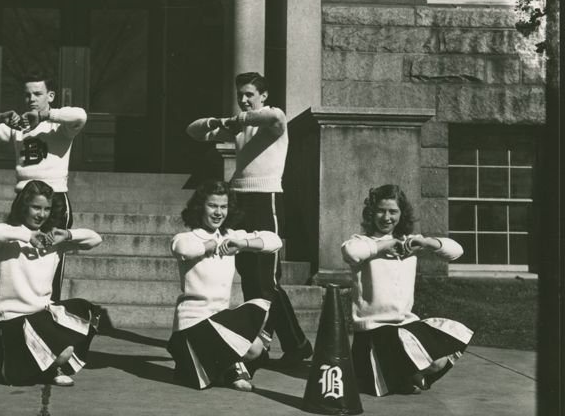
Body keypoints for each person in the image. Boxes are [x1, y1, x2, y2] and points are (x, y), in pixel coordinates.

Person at [186, 71, 312, 366]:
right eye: (240, 95)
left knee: (268, 280)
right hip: (239, 201)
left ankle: (299, 345)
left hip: (267, 200)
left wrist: (240, 120)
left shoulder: (271, 122)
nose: (243, 100)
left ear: (263, 95)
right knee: (248, 277)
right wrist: (218, 123)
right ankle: (260, 343)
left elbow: (275, 117)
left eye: (249, 94)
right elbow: (193, 131)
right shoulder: (238, 126)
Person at [341, 184, 472, 396]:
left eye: (393, 211)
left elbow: (457, 251)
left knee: (438, 362)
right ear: (371, 213)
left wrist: (425, 242)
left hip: (405, 326)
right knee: (397, 374)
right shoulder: (364, 242)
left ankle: (405, 375)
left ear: (402, 214)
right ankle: (401, 376)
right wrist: (384, 246)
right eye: (380, 211)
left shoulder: (409, 244)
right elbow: (350, 252)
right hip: (374, 331)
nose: (386, 217)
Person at [0, 72, 86, 301]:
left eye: (38, 93)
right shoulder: (19, 125)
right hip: (23, 196)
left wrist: (44, 116)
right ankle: (16, 313)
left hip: (55, 200)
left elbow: (80, 116)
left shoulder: (60, 125)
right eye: (27, 94)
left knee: (50, 259)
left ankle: (48, 316)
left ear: (50, 96)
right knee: (16, 254)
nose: (31, 99)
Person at [0, 179, 102, 387]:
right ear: (23, 207)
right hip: (14, 320)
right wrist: (28, 236)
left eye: (46, 209)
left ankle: (49, 365)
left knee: (86, 310)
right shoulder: (9, 238)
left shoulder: (52, 242)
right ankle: (44, 364)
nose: (41, 214)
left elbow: (95, 239)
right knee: (63, 352)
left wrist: (66, 234)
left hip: (43, 315)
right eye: (36, 207)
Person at [167, 180, 278, 391]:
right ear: (201, 207)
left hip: (220, 324)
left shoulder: (231, 237)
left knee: (256, 349)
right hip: (192, 324)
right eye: (213, 206)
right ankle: (224, 368)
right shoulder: (187, 237)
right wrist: (207, 245)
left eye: (223, 207)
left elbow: (274, 241)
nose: (218, 212)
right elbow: (182, 249)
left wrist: (243, 244)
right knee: (256, 312)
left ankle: (224, 369)